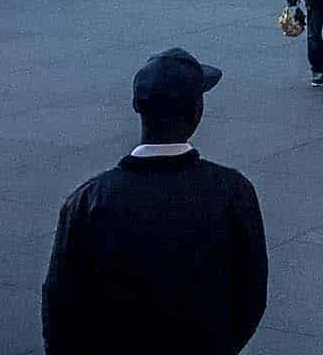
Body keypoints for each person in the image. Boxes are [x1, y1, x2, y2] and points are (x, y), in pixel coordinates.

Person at [42, 47, 268, 355]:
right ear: (195, 113)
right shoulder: (233, 193)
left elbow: (60, 309)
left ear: (138, 106)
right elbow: (251, 296)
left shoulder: (89, 202)